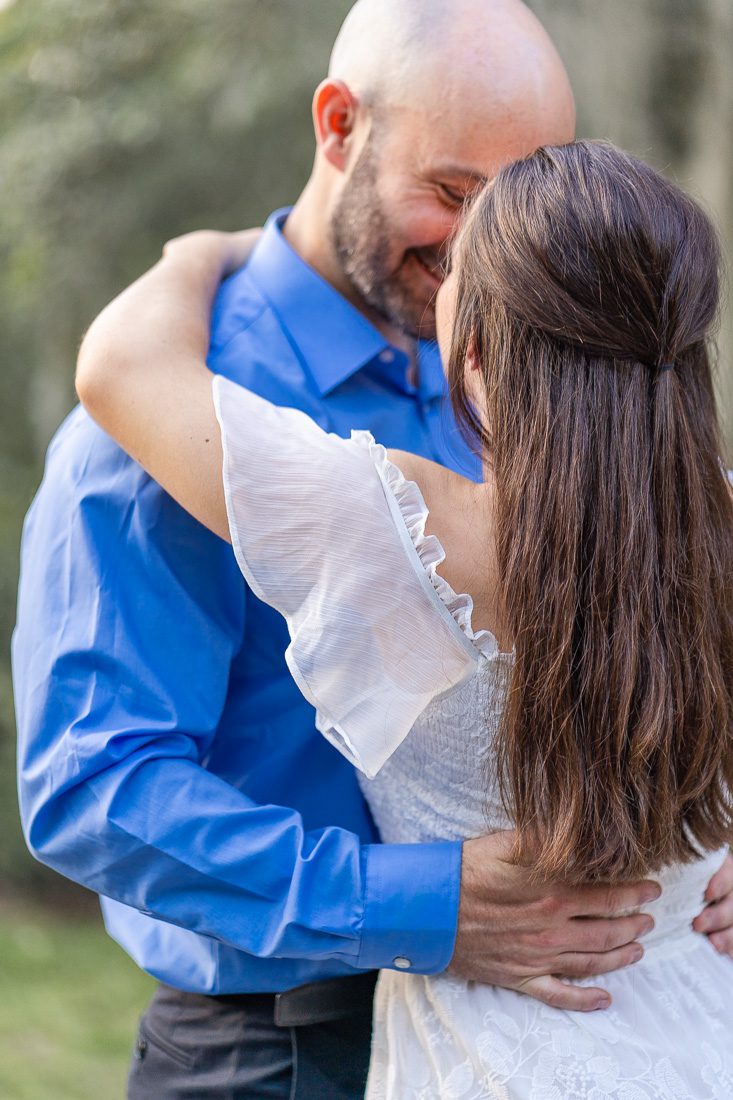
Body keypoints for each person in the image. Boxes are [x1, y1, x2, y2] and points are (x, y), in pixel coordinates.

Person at [12, 0, 733, 1096]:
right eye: (451, 193)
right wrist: (418, 903)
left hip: (596, 1015)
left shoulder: (567, 383)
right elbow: (92, 784)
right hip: (278, 1045)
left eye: (518, 199)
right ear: (340, 126)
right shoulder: (169, 428)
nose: (481, 250)